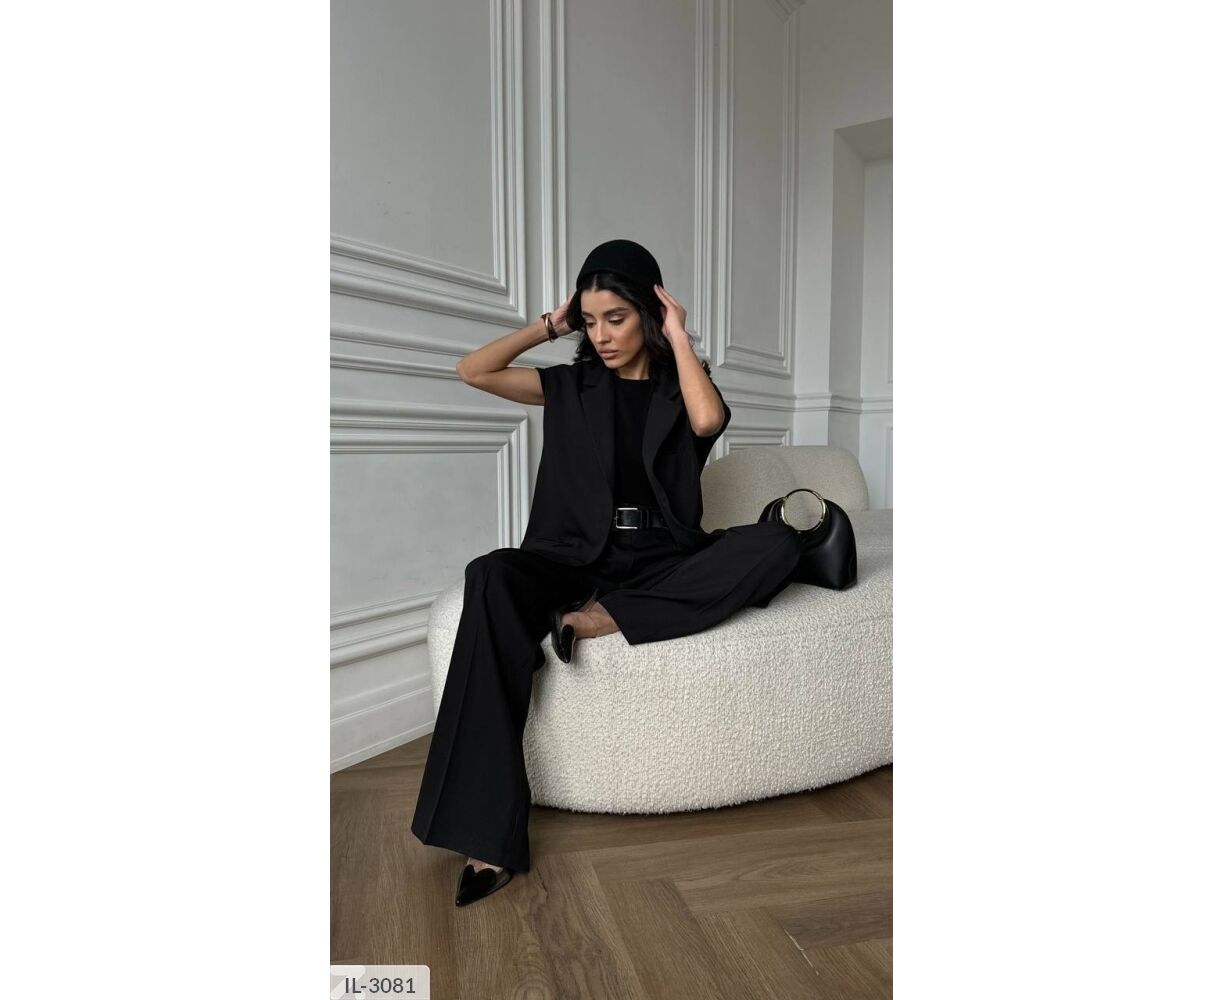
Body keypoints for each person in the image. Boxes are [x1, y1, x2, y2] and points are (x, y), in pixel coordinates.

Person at [409, 239, 805, 907]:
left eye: (616, 318)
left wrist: (676, 335)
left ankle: (603, 619)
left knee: (778, 545)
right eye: (590, 321)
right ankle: (485, 835)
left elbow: (709, 419)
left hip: (661, 559)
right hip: (570, 554)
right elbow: (473, 370)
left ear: (648, 312)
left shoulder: (681, 387)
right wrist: (549, 325)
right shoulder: (569, 386)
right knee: (490, 576)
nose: (601, 335)